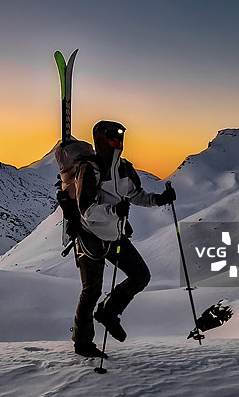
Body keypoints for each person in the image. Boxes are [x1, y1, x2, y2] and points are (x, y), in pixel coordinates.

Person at [71, 120, 176, 358]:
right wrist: (113, 212)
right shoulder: (90, 169)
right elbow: (85, 210)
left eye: (119, 137)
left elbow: (135, 195)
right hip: (91, 239)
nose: (117, 142)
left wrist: (159, 199)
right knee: (91, 291)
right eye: (112, 137)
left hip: (116, 236)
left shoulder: (124, 168)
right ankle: (82, 343)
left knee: (141, 276)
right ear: (100, 139)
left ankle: (108, 312)